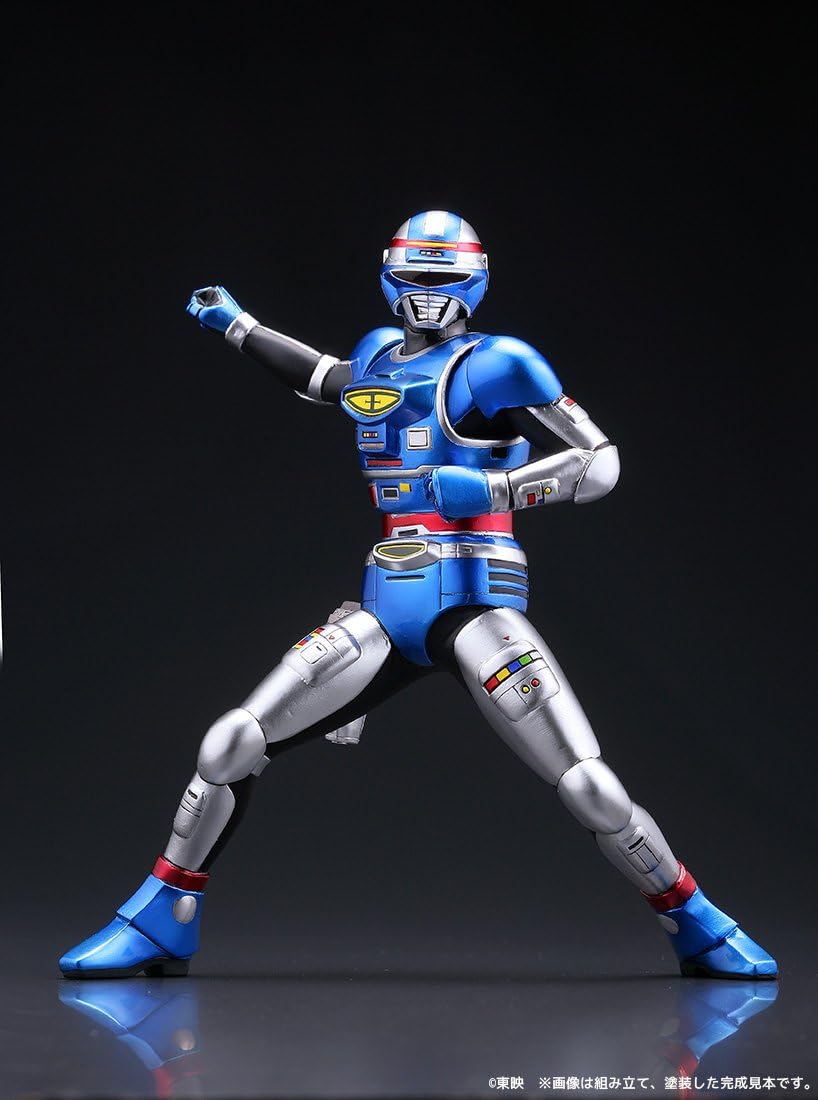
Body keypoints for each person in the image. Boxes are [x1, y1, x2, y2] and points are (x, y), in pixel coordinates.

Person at [59, 211, 776, 980]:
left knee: (586, 782)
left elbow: (599, 462)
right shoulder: (377, 353)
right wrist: (238, 326)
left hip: (476, 602)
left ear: (476, 280)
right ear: (388, 276)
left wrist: (497, 487)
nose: (428, 295)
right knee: (230, 742)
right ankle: (162, 918)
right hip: (387, 603)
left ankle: (698, 924)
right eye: (414, 278)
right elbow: (325, 378)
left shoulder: (497, 365)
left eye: (443, 279)